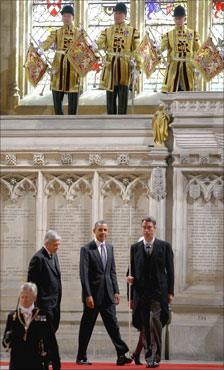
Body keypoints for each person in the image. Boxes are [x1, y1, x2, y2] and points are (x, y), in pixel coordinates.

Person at [76, 220, 132, 366]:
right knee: (87, 327)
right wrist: (87, 295)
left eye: (105, 230)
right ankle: (81, 356)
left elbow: (112, 271)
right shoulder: (86, 249)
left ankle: (121, 355)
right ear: (94, 231)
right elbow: (84, 274)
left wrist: (116, 291)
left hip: (108, 294)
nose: (103, 233)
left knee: (113, 326)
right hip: (92, 297)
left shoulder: (110, 247)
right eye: (100, 230)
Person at [127, 217, 174, 368]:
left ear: (154, 228)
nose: (146, 230)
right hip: (141, 293)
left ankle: (155, 356)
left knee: (155, 323)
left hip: (158, 293)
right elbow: (131, 271)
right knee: (145, 326)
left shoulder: (164, 246)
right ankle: (149, 357)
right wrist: (130, 288)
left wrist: (170, 292)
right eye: (144, 228)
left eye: (149, 227)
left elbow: (170, 271)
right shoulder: (135, 248)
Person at [2, 282, 61, 370]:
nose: (24, 300)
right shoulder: (13, 316)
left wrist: (56, 365)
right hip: (17, 363)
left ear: (34, 297)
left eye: (27, 297)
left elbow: (51, 342)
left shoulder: (43, 316)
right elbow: (5, 344)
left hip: (37, 362)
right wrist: (7, 338)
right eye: (22, 297)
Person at [96, 2, 141, 114]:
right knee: (110, 99)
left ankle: (122, 122)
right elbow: (99, 43)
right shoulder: (107, 31)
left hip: (125, 67)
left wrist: (138, 66)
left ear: (125, 15)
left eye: (120, 13)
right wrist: (94, 45)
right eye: (115, 13)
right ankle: (110, 121)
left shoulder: (133, 31)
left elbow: (137, 50)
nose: (117, 15)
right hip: (110, 67)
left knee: (123, 98)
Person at [41, 5, 80, 115]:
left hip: (73, 69)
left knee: (73, 102)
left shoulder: (79, 33)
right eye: (64, 16)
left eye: (68, 16)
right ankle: (59, 120)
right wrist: (40, 49)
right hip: (58, 68)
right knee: (57, 100)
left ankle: (72, 124)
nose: (66, 18)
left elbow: (84, 50)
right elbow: (47, 43)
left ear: (73, 17)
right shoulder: (56, 32)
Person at [160, 5, 200, 92]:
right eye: (176, 18)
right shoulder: (168, 35)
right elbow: (160, 49)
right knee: (173, 95)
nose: (178, 20)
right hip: (174, 69)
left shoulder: (193, 34)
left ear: (184, 19)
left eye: (180, 18)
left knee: (188, 96)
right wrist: (154, 48)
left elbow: (199, 51)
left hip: (189, 69)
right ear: (174, 19)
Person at [28, 230, 62, 332]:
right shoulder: (38, 258)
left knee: (53, 329)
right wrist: (34, 305)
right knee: (44, 331)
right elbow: (31, 284)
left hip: (55, 303)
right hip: (43, 306)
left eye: (58, 245)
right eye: (55, 245)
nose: (58, 247)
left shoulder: (54, 255)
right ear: (47, 243)